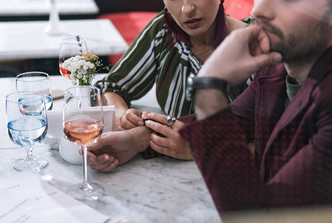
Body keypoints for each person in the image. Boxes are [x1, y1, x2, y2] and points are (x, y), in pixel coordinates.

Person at [87, 0, 332, 216]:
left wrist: (209, 89)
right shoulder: (275, 69)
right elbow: (235, 123)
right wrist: (138, 139)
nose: (259, 9)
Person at [95, 0, 249, 130]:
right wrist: (122, 116)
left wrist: (194, 145)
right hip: (166, 164)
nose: (187, 9)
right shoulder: (164, 29)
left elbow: (265, 131)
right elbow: (112, 88)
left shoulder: (257, 45)